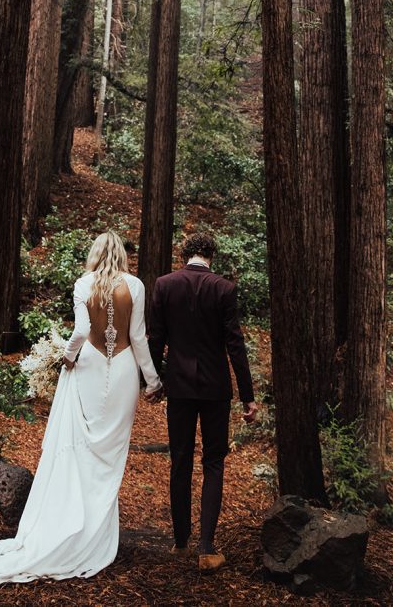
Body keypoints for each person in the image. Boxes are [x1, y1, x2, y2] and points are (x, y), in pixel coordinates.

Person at [0, 230, 162, 583]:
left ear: (94, 253)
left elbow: (81, 330)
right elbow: (137, 338)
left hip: (88, 366)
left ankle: (75, 523)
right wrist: (151, 380)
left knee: (81, 449)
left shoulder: (83, 283)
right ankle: (97, 531)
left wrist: (67, 357)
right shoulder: (135, 285)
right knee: (109, 454)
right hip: (122, 373)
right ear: (121, 254)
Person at [148, 232, 258, 573]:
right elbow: (235, 346)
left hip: (179, 386)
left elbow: (156, 338)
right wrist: (248, 396)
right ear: (211, 254)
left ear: (186, 254)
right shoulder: (224, 288)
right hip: (215, 388)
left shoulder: (165, 285)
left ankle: (180, 542)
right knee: (213, 462)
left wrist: (153, 381)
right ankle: (207, 547)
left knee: (180, 460)